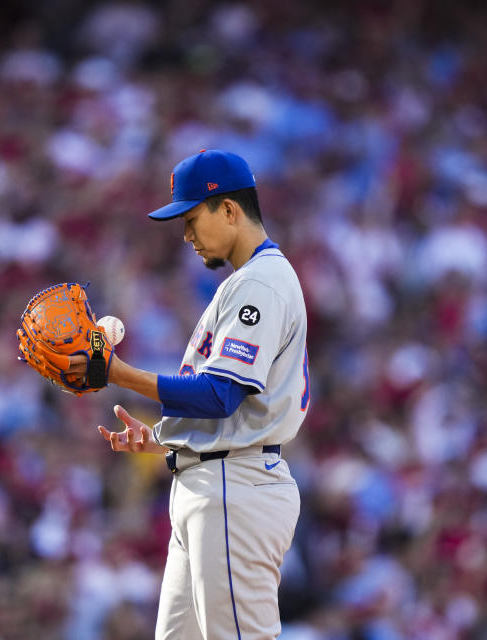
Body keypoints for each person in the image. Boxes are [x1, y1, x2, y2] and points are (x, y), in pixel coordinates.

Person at [67, 149, 310, 639]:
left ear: (229, 210)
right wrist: (165, 438)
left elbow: (221, 395)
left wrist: (118, 373)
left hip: (233, 488)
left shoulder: (260, 282)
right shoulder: (248, 281)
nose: (186, 234)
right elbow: (232, 406)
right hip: (214, 481)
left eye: (192, 217)